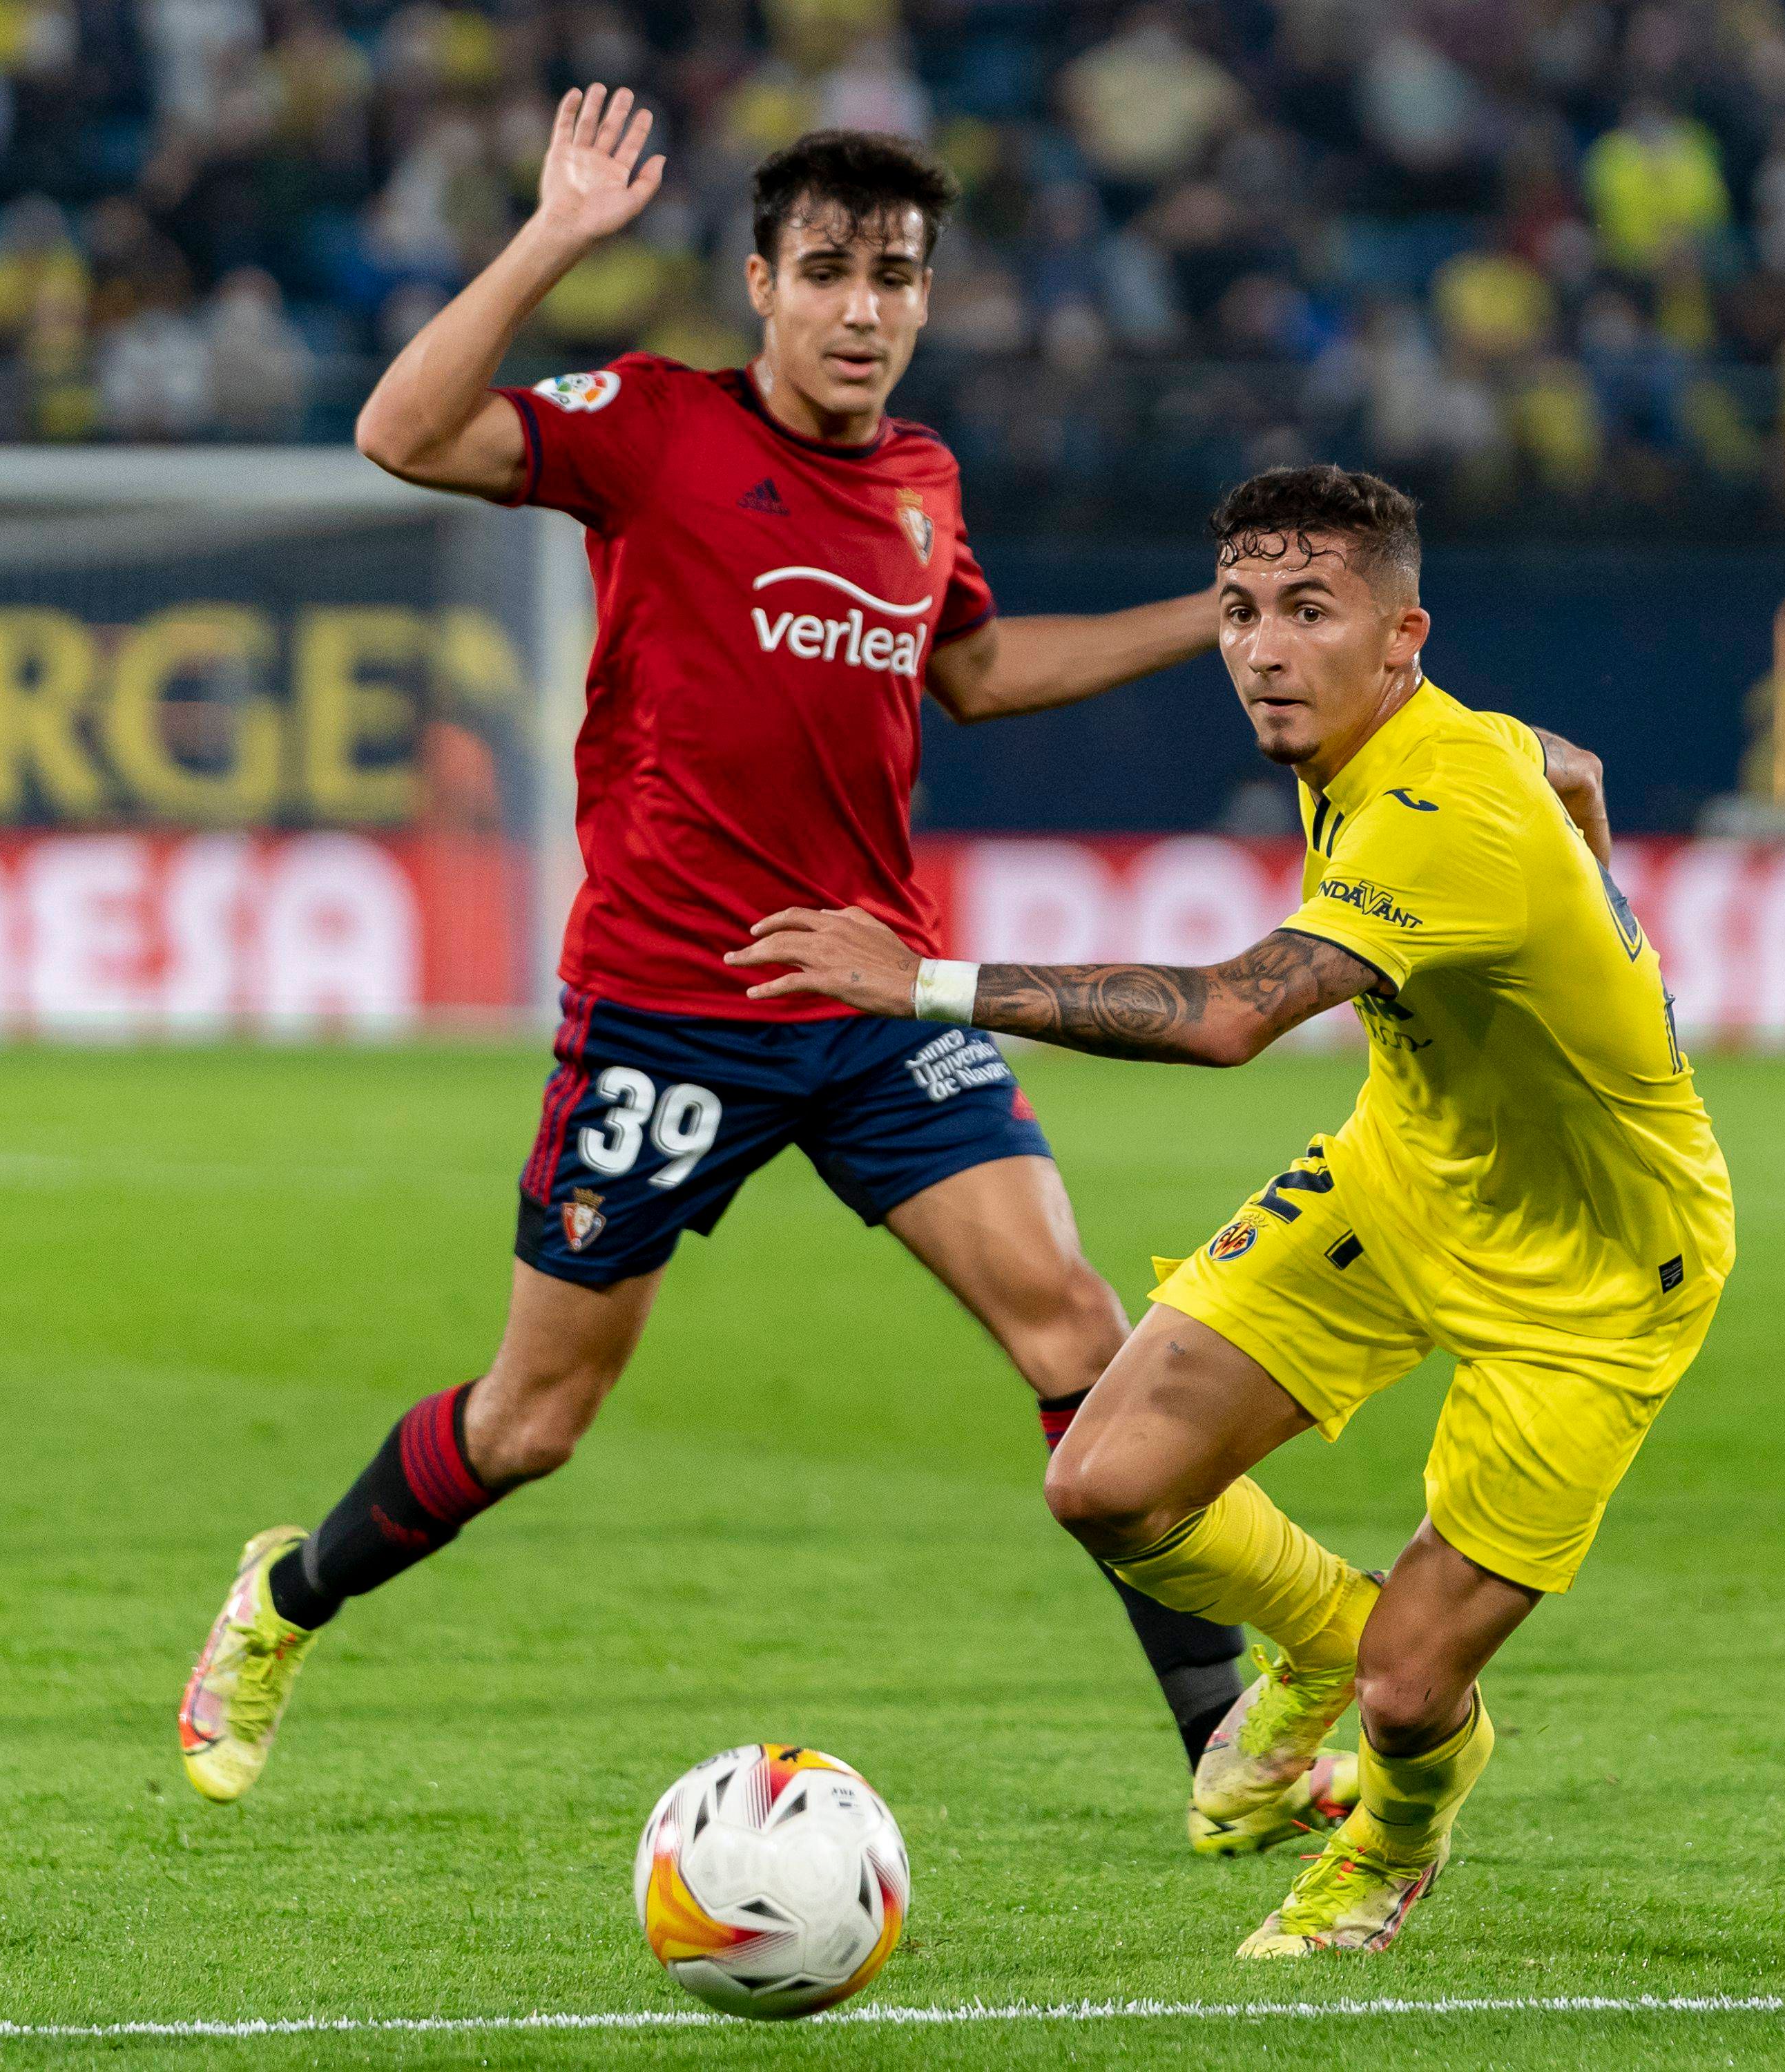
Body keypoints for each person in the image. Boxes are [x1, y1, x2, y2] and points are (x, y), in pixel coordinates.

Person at [177, 97, 1262, 1804]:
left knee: (1075, 1329)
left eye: (893, 277)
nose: (860, 308)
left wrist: (1220, 616)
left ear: (924, 301)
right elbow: (399, 431)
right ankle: (286, 1599)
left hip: (874, 994)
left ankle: (1226, 1742)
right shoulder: (656, 429)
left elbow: (973, 673)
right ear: (760, 283)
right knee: (534, 1422)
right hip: (671, 1010)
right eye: (824, 270)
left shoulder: (921, 480)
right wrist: (553, 239)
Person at [736, 463, 1735, 1956]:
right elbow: (1574, 765)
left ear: (1406, 635)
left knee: (1415, 1695)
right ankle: (1335, 1642)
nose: (1264, 649)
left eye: (1309, 613)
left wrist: (924, 981)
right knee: (1107, 1483)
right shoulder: (1397, 734)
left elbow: (1222, 1018)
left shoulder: (1443, 810)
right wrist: (1614, 927)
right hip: (1410, 1174)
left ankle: (1385, 1850)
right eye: (1241, 611)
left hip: (1599, 1269)